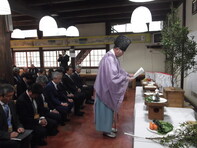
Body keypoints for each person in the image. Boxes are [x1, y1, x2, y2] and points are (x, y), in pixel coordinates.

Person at [94, 35, 134, 138]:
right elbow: (113, 77)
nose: (123, 53)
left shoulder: (113, 58)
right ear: (117, 49)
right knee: (106, 112)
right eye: (122, 51)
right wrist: (125, 79)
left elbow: (119, 70)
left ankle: (107, 128)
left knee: (109, 111)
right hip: (105, 91)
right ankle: (106, 131)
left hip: (106, 89)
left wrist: (127, 74)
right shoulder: (109, 59)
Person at [0, 84, 31, 148]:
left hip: (12, 130)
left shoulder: (11, 103)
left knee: (27, 136)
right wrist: (8, 135)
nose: (11, 98)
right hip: (3, 135)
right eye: (8, 96)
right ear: (1, 96)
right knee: (14, 144)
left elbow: (16, 118)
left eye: (12, 95)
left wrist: (19, 126)